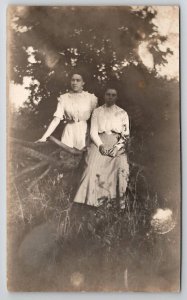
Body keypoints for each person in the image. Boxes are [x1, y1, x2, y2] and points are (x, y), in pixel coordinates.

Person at [73, 87, 130, 208]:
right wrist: (101, 145)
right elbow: (93, 132)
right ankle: (88, 202)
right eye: (108, 94)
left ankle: (114, 204)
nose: (110, 97)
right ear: (104, 96)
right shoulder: (97, 111)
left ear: (116, 97)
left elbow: (125, 135)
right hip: (99, 141)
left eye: (113, 95)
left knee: (121, 166)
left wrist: (116, 148)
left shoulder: (122, 113)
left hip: (116, 142)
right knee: (91, 167)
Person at [36, 73, 98, 150]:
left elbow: (96, 120)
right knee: (66, 158)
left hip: (85, 132)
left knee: (83, 158)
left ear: (83, 82)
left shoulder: (90, 98)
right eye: (73, 80)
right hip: (69, 132)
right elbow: (56, 119)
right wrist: (44, 137)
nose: (75, 83)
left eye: (78, 80)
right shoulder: (64, 98)